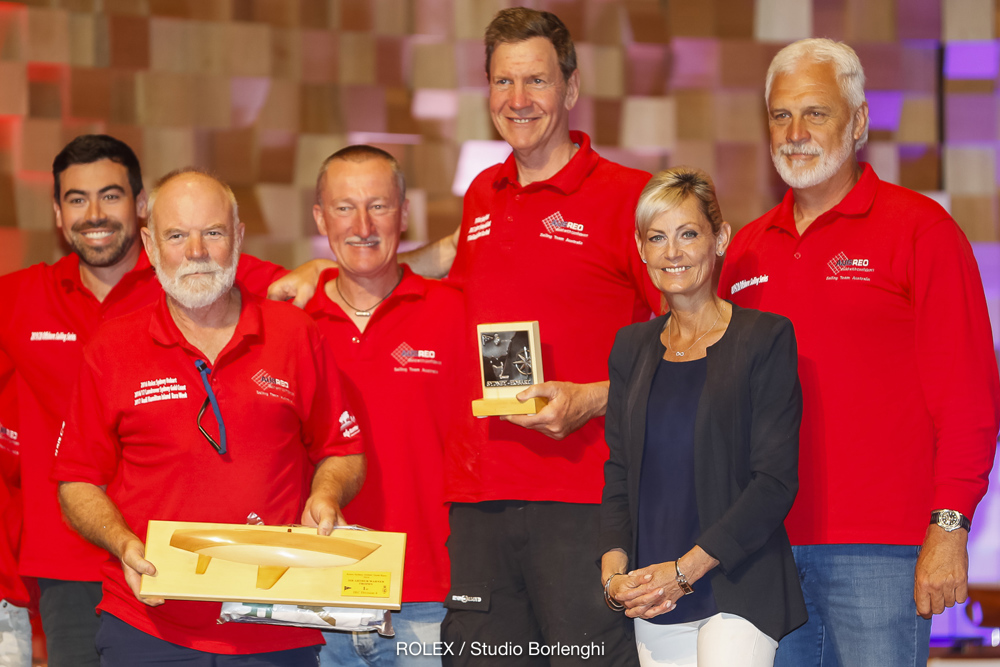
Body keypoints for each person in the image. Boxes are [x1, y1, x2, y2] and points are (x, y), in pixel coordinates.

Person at [269, 11, 662, 662]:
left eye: (536, 80)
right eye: (503, 82)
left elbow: (689, 340)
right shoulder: (485, 192)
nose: (518, 99)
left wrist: (593, 397)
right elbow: (449, 256)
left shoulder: (630, 198)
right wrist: (337, 271)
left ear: (571, 87)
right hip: (479, 502)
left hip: (581, 496)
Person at [719, 38, 1000, 667]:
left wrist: (949, 527)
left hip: (882, 552)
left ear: (859, 121)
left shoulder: (921, 231)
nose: (795, 133)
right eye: (781, 115)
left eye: (815, 113)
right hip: (763, 550)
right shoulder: (745, 252)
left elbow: (968, 398)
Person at [51, 169, 365, 665]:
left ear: (238, 237)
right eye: (177, 235)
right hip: (147, 624)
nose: (196, 251)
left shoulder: (294, 334)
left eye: (213, 232)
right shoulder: (111, 347)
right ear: (151, 246)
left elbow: (342, 450)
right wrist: (122, 543)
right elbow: (76, 480)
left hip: (274, 627)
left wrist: (325, 496)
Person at [0, 135, 288, 667]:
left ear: (139, 207)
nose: (94, 214)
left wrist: (320, 273)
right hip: (66, 565)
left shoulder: (187, 277)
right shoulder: (19, 298)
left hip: (173, 563)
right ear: (58, 214)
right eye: (77, 199)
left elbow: (316, 285)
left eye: (110, 196)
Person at [600, 167, 806, 667]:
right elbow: (619, 474)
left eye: (688, 234)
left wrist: (684, 571)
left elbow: (773, 483)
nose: (673, 252)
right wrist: (614, 576)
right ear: (641, 249)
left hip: (737, 587)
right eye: (657, 237)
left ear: (720, 239)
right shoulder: (630, 347)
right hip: (653, 594)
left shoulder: (765, 338)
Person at [306, 146, 465, 666]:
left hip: (426, 598)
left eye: (378, 206)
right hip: (313, 598)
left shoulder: (454, 312)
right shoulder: (291, 324)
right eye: (344, 207)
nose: (363, 226)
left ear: (404, 213)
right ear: (320, 218)